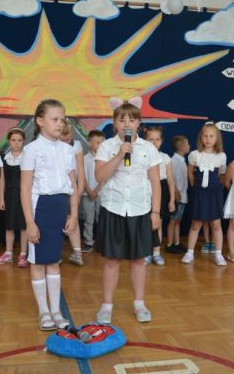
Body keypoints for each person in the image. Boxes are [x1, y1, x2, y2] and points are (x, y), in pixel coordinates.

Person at [95, 98, 161, 324]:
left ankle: (139, 304)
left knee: (139, 260)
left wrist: (155, 213)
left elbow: (155, 182)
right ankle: (106, 306)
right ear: (114, 123)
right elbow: (99, 176)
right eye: (122, 120)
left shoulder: (149, 148)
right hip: (113, 208)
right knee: (112, 260)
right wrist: (119, 155)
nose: (127, 124)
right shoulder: (107, 146)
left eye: (131, 120)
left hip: (140, 210)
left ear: (139, 123)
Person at [20, 99, 78, 331]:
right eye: (54, 119)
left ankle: (56, 311)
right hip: (39, 208)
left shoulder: (68, 149)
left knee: (54, 261)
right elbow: (25, 188)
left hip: (59, 207)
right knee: (38, 263)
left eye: (62, 119)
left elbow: (73, 185)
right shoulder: (31, 150)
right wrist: (30, 222)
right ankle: (44, 312)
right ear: (40, 121)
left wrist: (73, 214)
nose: (59, 123)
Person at [180, 123, 227, 266]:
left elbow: (221, 174)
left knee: (216, 224)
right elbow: (190, 173)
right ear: (201, 137)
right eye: (205, 136)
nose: (208, 139)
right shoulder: (195, 155)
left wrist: (215, 187)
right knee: (196, 223)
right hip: (199, 193)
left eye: (211, 136)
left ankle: (218, 254)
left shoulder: (221, 156)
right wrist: (196, 187)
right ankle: (190, 252)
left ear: (217, 138)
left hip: (214, 194)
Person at [0, 127, 28, 266]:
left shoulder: (27, 157)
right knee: (9, 225)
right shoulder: (2, 158)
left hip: (24, 195)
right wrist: (1, 199)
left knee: (24, 226)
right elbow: (2, 180)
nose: (16, 143)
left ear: (23, 141)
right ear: (9, 141)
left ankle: (23, 254)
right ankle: (8, 253)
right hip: (9, 195)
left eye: (19, 140)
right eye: (13, 140)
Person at [144, 126, 175, 266]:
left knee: (158, 223)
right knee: (145, 224)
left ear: (161, 141)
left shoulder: (165, 157)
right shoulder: (142, 156)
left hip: (161, 190)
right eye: (150, 139)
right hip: (145, 189)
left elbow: (170, 180)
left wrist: (172, 200)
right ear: (145, 140)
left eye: (157, 139)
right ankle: (145, 253)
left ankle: (156, 253)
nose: (154, 142)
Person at [58, 120, 85, 266]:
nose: (65, 143)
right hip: (56, 188)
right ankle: (56, 253)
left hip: (72, 188)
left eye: (67, 140)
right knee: (56, 219)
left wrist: (79, 191)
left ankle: (77, 252)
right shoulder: (52, 146)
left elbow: (80, 168)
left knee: (72, 218)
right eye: (62, 140)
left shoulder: (77, 146)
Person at [81, 130, 105, 253]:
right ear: (90, 143)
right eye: (97, 142)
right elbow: (82, 177)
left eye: (102, 142)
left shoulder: (105, 159)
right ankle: (88, 242)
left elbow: (105, 176)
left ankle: (102, 242)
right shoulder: (84, 159)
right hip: (87, 194)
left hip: (101, 194)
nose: (100, 145)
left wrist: (96, 190)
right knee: (88, 219)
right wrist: (89, 191)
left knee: (101, 219)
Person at [165, 135, 189, 254]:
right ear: (181, 147)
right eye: (187, 144)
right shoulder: (173, 161)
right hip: (177, 197)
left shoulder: (182, 160)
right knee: (173, 220)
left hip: (182, 196)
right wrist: (176, 193)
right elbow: (170, 178)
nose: (189, 146)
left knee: (178, 220)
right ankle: (169, 244)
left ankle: (177, 242)